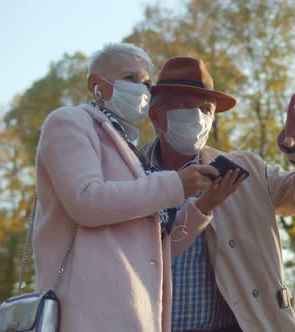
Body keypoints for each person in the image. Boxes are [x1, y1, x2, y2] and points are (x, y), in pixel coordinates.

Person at [33, 44, 222, 331]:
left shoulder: (130, 150)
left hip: (136, 315)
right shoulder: (69, 122)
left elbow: (155, 248)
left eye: (147, 83)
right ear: (96, 85)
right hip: (86, 315)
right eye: (131, 78)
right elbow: (87, 202)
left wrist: (202, 207)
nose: (143, 89)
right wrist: (175, 184)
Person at [145, 57, 295, 332]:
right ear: (155, 115)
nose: (198, 117)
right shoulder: (127, 173)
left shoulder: (245, 170)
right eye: (183, 106)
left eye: (205, 109)